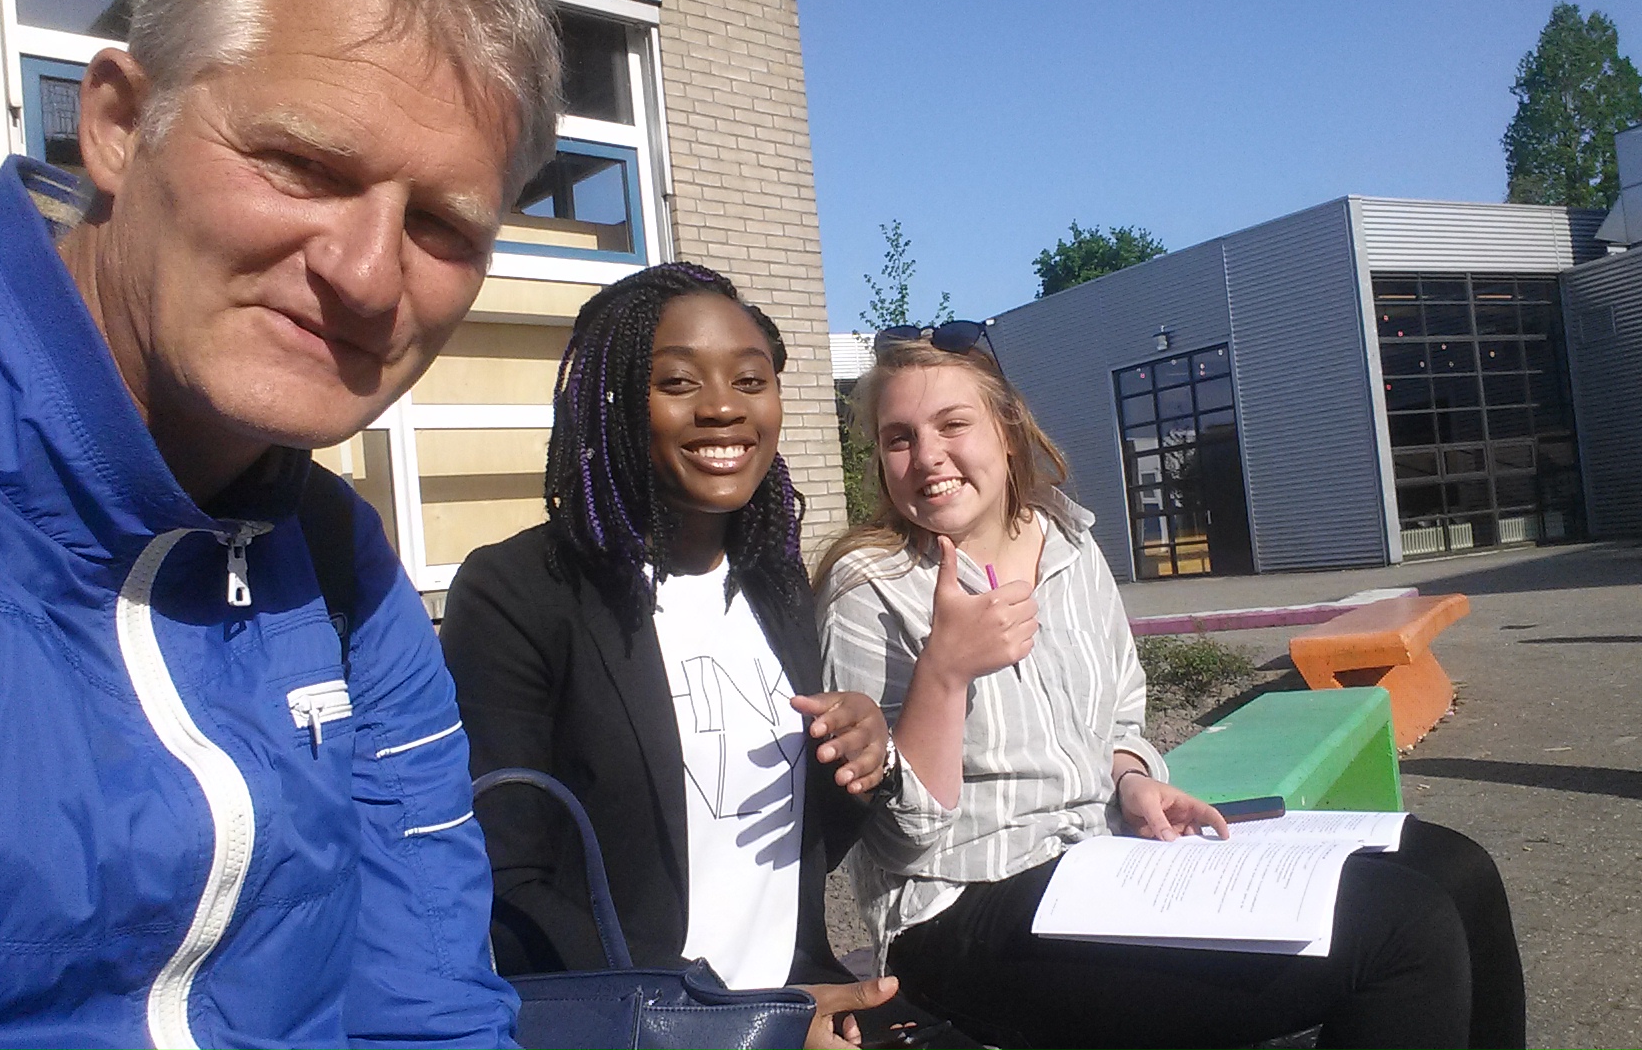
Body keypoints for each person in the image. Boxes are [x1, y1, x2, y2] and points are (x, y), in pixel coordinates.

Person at [0, 0, 561, 1045]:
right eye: (303, 167)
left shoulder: (340, 566)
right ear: (118, 126)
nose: (368, 277)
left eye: (441, 226)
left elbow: (430, 1014)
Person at [816, 330, 1529, 1050]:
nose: (927, 456)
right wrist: (945, 671)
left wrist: (1131, 779)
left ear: (1005, 431)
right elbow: (900, 841)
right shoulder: (870, 586)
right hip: (960, 911)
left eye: (952, 424)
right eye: (899, 437)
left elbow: (1119, 713)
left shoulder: (1066, 543)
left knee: (1459, 871)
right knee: (1401, 931)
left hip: (1106, 857)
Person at [442, 263, 969, 1050]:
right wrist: (726, 1024)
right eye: (679, 382)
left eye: (751, 380)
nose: (724, 407)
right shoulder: (520, 593)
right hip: (644, 1026)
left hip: (800, 998)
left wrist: (860, 757)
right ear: (613, 402)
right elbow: (507, 888)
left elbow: (786, 851)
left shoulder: (775, 586)